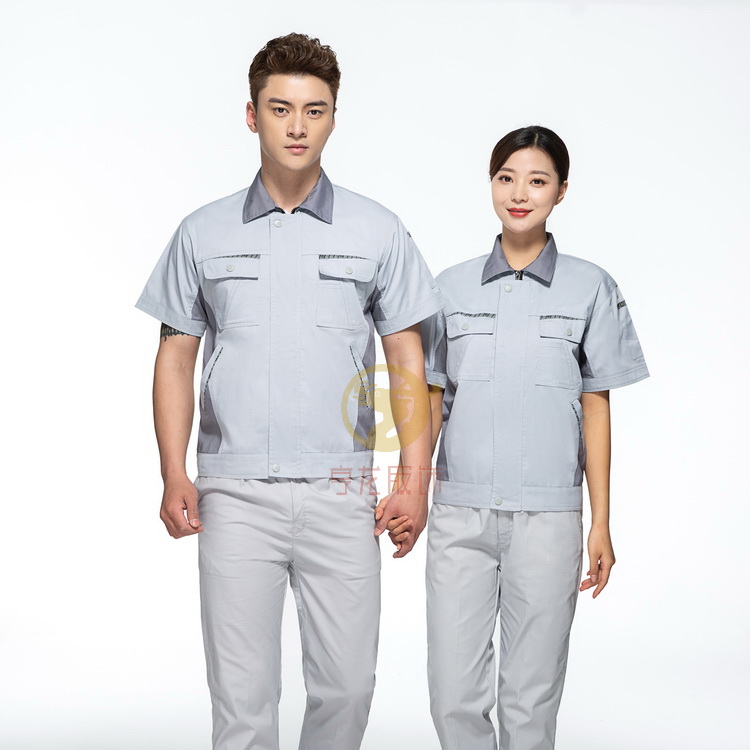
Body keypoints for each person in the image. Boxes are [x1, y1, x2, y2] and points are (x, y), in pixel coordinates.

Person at [134, 33, 442, 750]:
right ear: (252, 116)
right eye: (280, 109)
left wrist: (413, 480)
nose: (297, 126)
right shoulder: (201, 232)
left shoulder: (377, 229)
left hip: (343, 492)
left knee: (348, 688)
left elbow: (406, 357)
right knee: (242, 700)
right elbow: (175, 356)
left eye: (314, 110)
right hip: (235, 494)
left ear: (333, 117)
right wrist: (174, 470)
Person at [417, 125, 650, 750]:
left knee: (531, 696)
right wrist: (412, 490)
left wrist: (601, 523)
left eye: (537, 181)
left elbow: (595, 406)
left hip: (548, 520)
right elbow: (432, 401)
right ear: (491, 183)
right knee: (452, 694)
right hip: (460, 515)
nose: (519, 194)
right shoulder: (449, 288)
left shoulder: (591, 286)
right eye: (506, 178)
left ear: (561, 191)